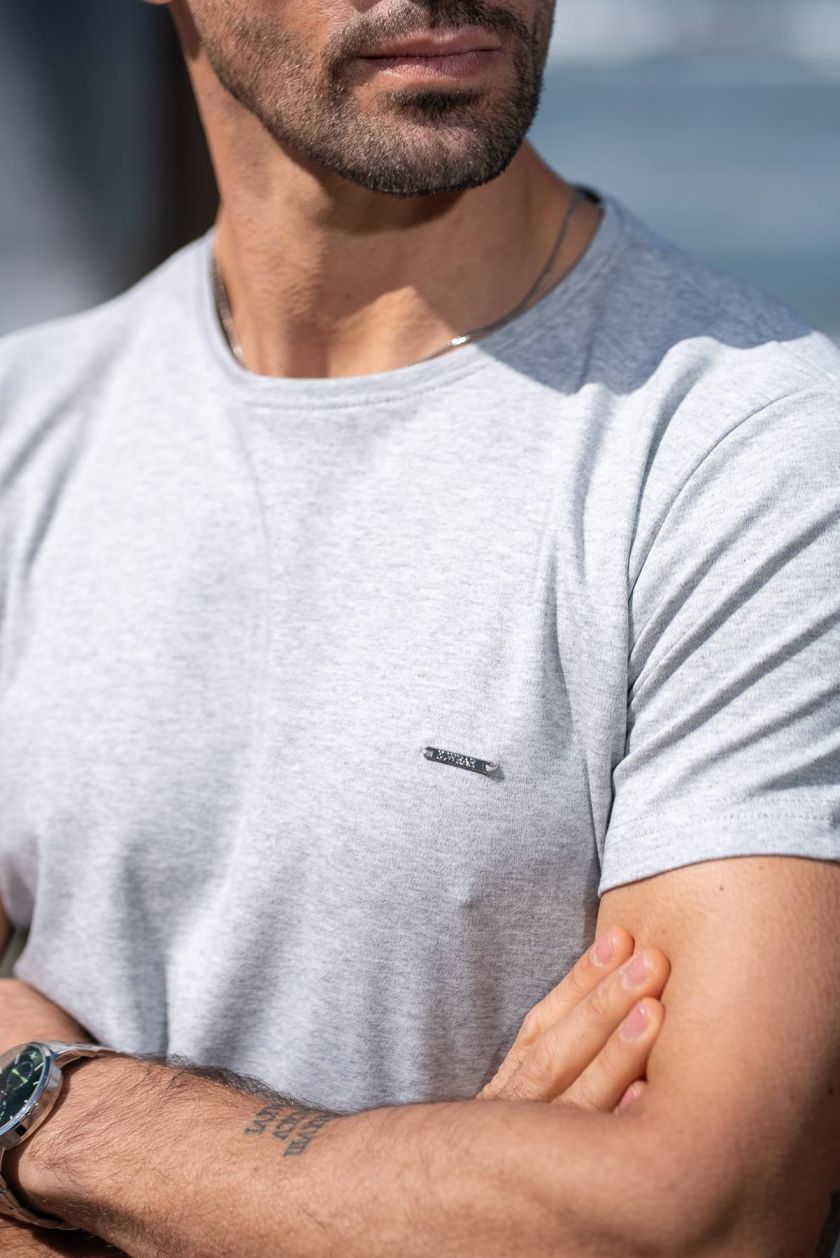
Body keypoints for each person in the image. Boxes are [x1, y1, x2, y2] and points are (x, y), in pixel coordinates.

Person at [0, 0, 838, 1254]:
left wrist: (58, 1118)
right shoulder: (26, 428)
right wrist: (425, 1204)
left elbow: (704, 1218)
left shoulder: (757, 457)